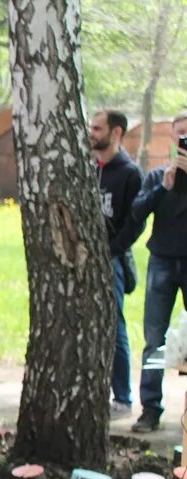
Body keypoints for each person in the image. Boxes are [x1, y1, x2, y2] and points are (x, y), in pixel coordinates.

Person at [132, 111, 187, 433]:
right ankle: (150, 408)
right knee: (155, 339)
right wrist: (164, 187)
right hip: (162, 261)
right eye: (181, 135)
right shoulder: (156, 176)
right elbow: (138, 211)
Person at [89, 109, 144, 421]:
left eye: (98, 128)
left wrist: (111, 251)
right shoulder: (89, 168)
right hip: (85, 259)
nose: (92, 133)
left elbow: (134, 223)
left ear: (117, 132)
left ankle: (122, 398)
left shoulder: (129, 172)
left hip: (112, 261)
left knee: (114, 327)